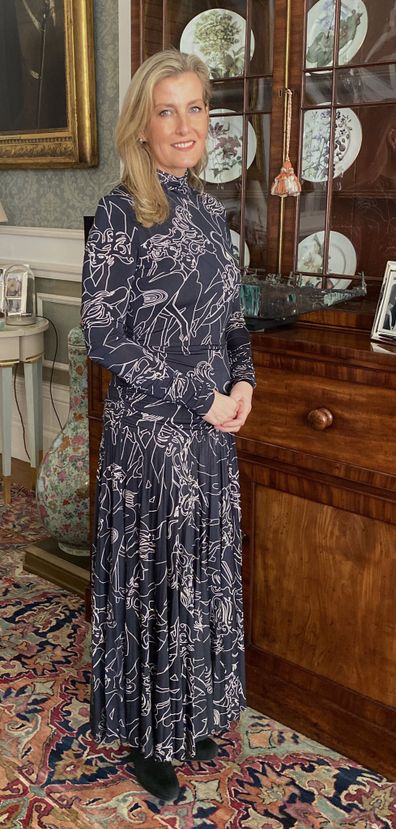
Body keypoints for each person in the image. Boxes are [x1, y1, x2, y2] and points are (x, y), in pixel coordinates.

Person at [81, 49, 255, 802]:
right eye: (167, 109)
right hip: (151, 442)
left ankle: (192, 708)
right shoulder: (125, 209)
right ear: (142, 125)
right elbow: (101, 332)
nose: (185, 125)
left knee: (200, 576)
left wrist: (245, 379)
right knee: (157, 584)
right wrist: (200, 395)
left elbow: (231, 319)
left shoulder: (215, 214)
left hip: (212, 436)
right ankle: (151, 732)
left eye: (196, 109)